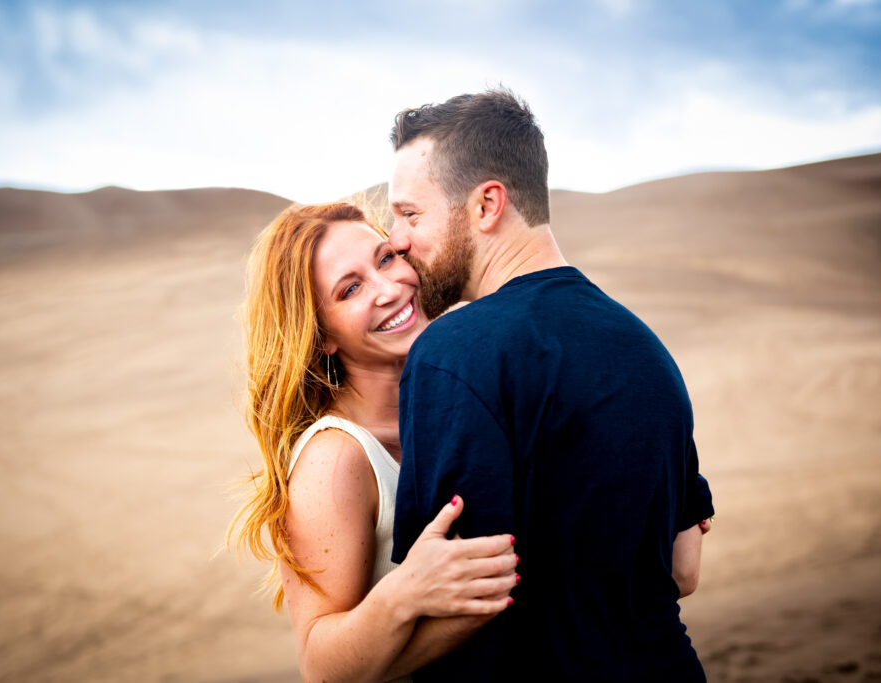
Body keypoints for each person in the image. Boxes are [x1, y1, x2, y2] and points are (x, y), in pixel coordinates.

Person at [387, 89, 715, 681]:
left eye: (411, 214)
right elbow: (684, 571)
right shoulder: (645, 347)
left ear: (488, 204)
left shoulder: (453, 353)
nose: (397, 239)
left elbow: (459, 600)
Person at [225, 202, 521, 683]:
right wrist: (406, 592)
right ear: (322, 337)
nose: (389, 288)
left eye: (386, 258)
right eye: (351, 289)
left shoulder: (462, 407)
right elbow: (320, 667)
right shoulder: (336, 458)